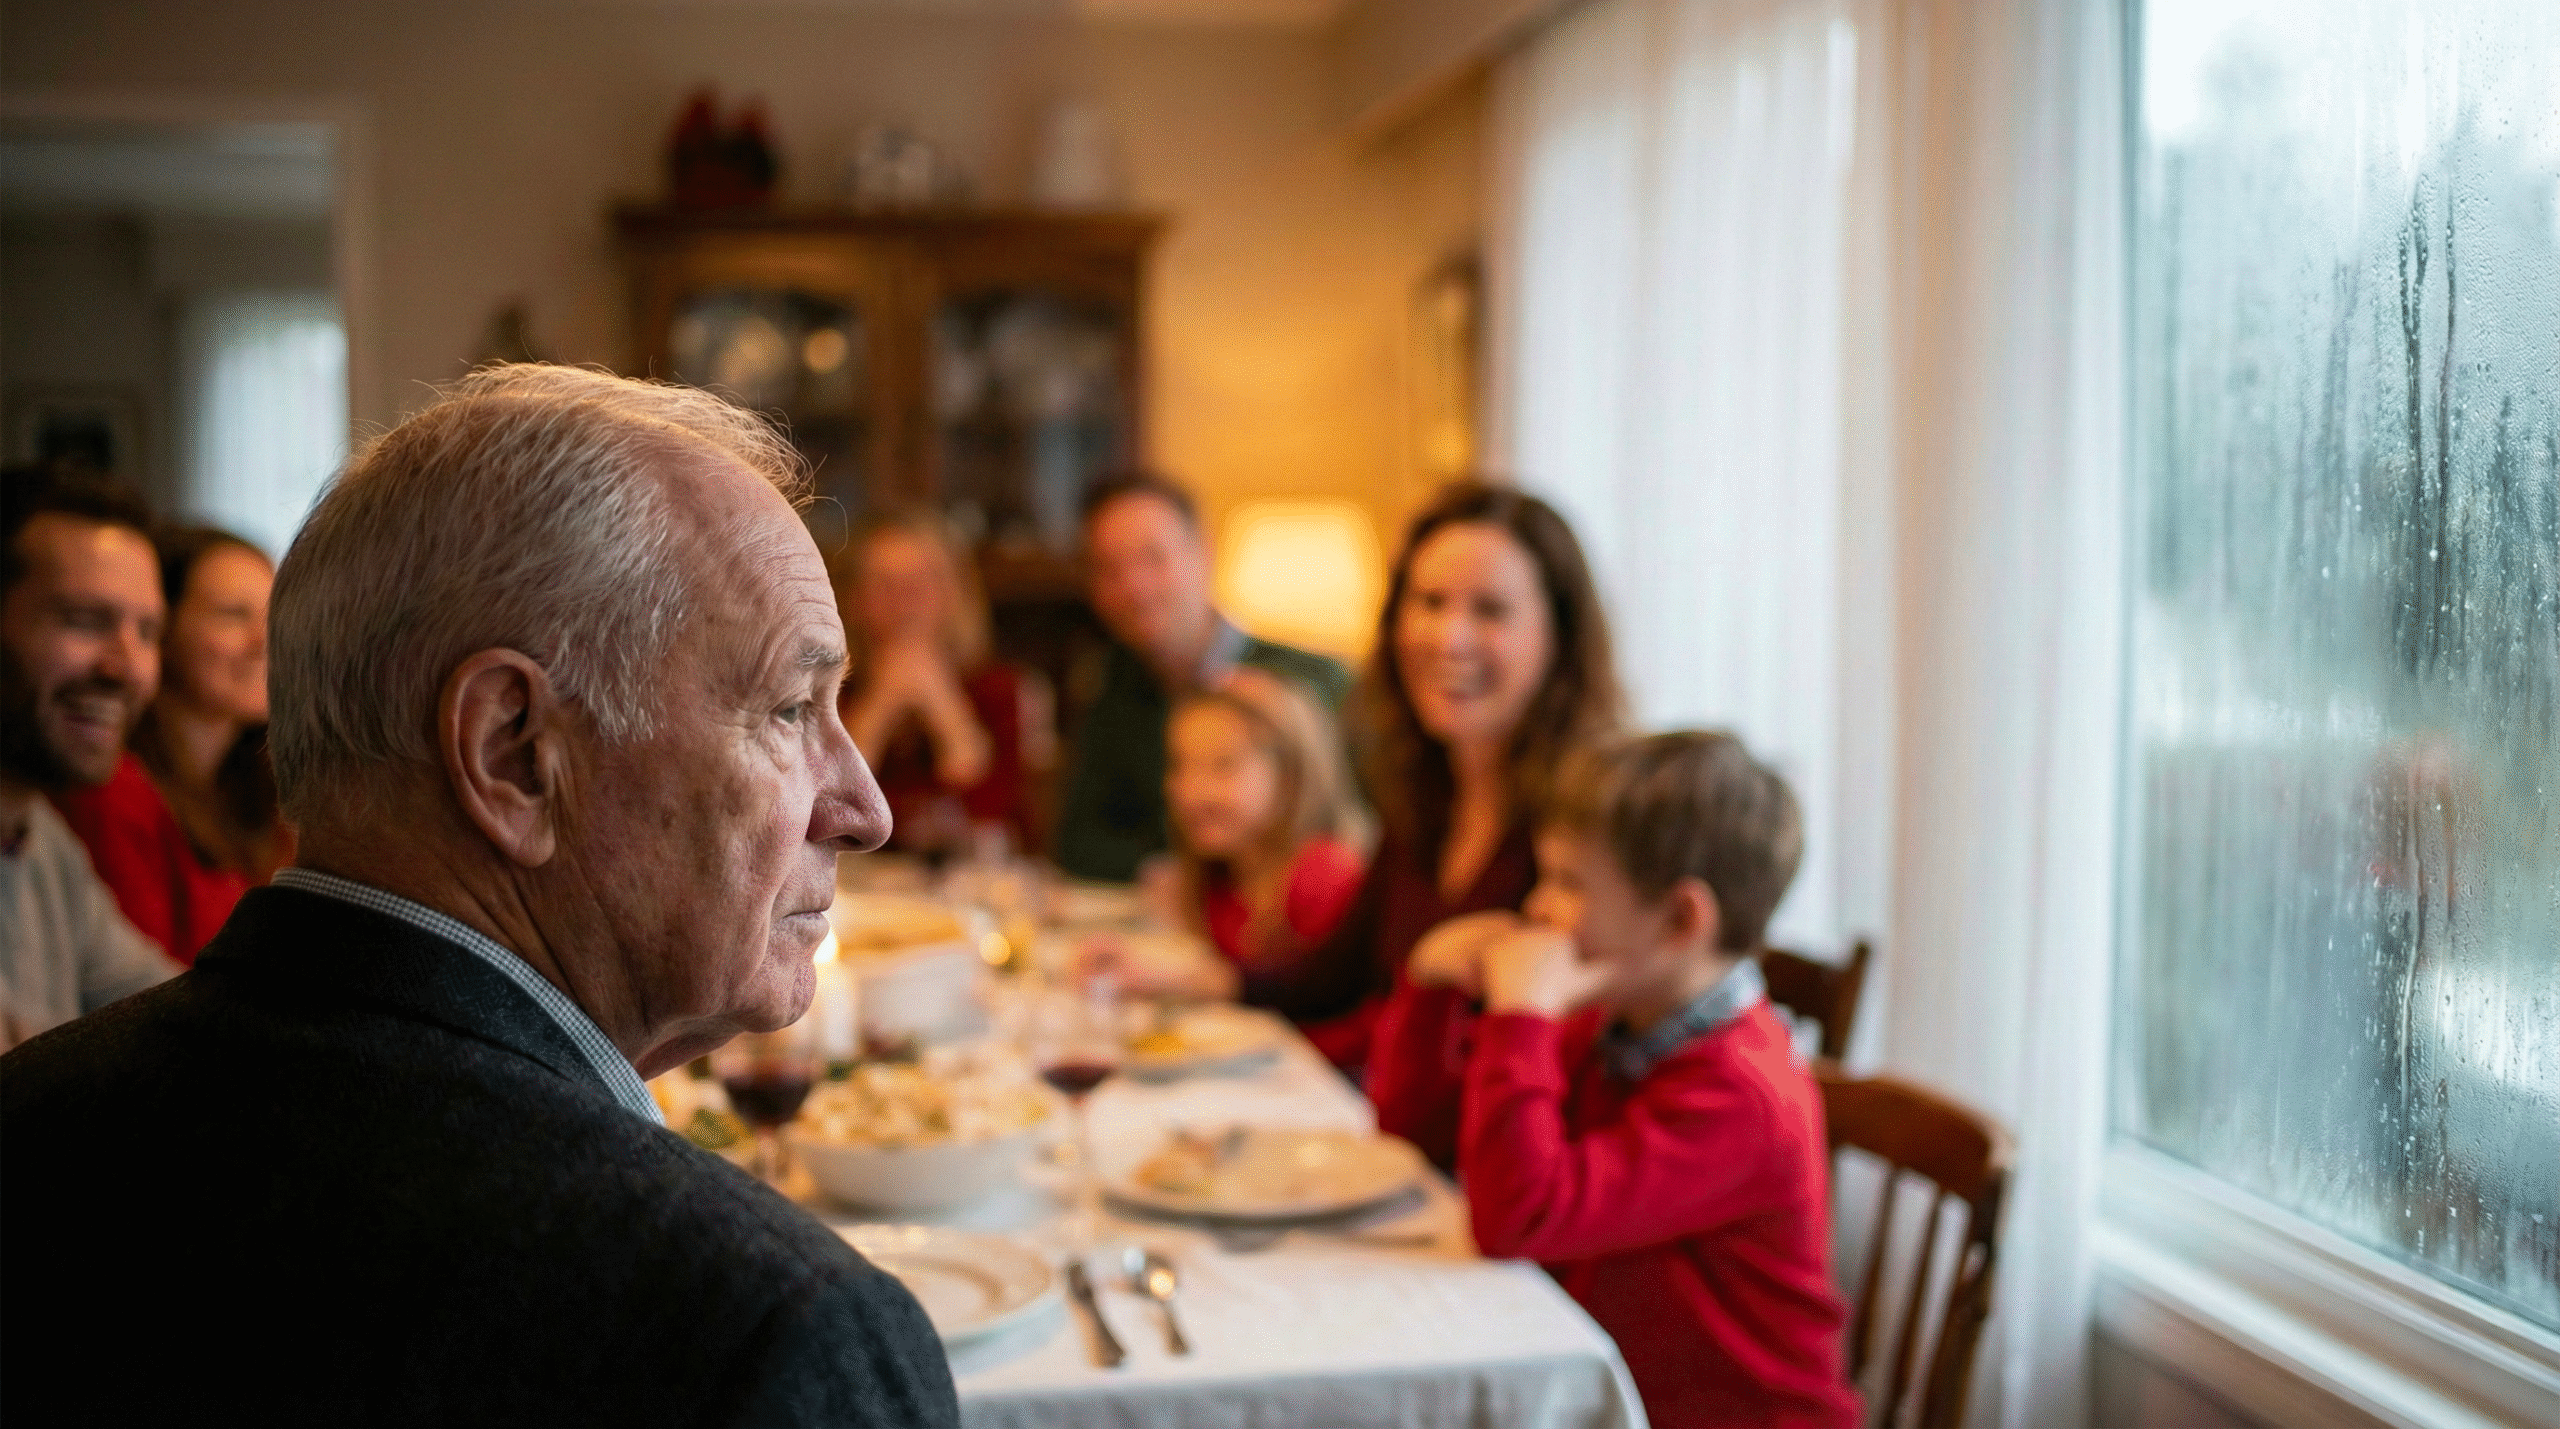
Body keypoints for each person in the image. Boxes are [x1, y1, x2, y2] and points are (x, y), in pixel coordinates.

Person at [0, 366, 957, 1426]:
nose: (865, 809)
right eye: (788, 708)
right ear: (513, 752)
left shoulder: (24, 1121)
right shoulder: (767, 1330)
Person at [1390, 732, 1857, 1429]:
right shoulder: (1614, 1019)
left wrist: (1521, 1018)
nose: (1538, 906)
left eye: (1569, 883)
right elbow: (1417, 1135)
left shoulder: (1742, 1094)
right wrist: (1431, 988)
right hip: (1599, 1385)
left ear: (1680, 919)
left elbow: (1517, 1217)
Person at [1293, 481, 1622, 1118]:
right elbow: (1334, 977)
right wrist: (1206, 981)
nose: (1449, 638)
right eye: (1430, 602)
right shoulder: (1426, 786)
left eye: (1490, 610)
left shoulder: (1591, 823)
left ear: (1558, 638)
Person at [1054, 472, 1350, 883]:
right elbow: (1078, 844)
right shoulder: (1110, 685)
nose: (1134, 587)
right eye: (1109, 569)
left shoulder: (1311, 680)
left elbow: (1343, 831)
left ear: (1203, 554)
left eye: (1153, 558)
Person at [0, 471, 182, 1045]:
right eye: (83, 620)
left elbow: (179, 1016)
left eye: (148, 631)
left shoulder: (42, 843)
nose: (126, 668)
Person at [53, 525, 285, 964]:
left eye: (274, 615)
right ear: (163, 629)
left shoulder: (259, 794)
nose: (264, 640)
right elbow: (135, 991)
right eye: (234, 615)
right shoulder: (115, 794)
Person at [1104, 666, 1366, 1007]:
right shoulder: (1221, 879)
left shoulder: (1325, 875)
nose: (1193, 791)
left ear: (1289, 775)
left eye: (1223, 765)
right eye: (1180, 765)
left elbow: (1335, 1002)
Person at [837, 507, 1047, 857]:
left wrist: (943, 705)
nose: (903, 602)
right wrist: (879, 706)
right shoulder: (831, 690)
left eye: (921, 582)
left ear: (955, 594)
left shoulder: (997, 688)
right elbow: (829, 806)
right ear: (856, 599)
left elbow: (993, 817)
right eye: (883, 584)